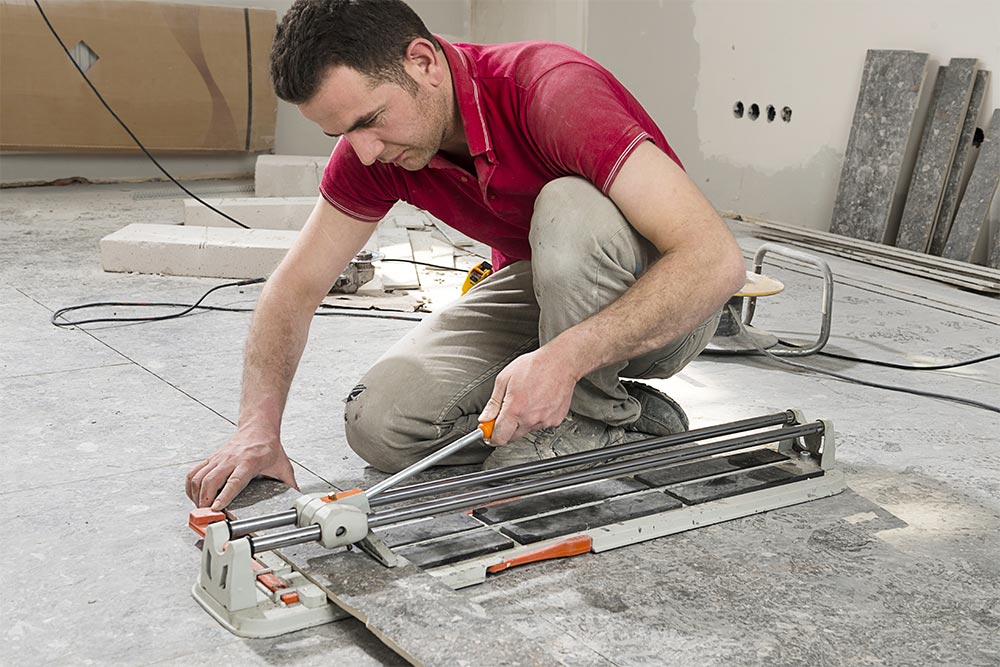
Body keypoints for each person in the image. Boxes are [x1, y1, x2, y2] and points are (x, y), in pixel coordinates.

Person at [186, 0, 745, 510]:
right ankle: (626, 418)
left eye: (368, 121)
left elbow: (714, 259)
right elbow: (294, 287)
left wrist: (565, 361)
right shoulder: (373, 151)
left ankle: (590, 416)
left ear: (423, 61)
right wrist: (257, 428)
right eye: (341, 134)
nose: (364, 151)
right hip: (551, 292)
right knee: (381, 424)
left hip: (670, 298)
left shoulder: (550, 91)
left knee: (569, 207)